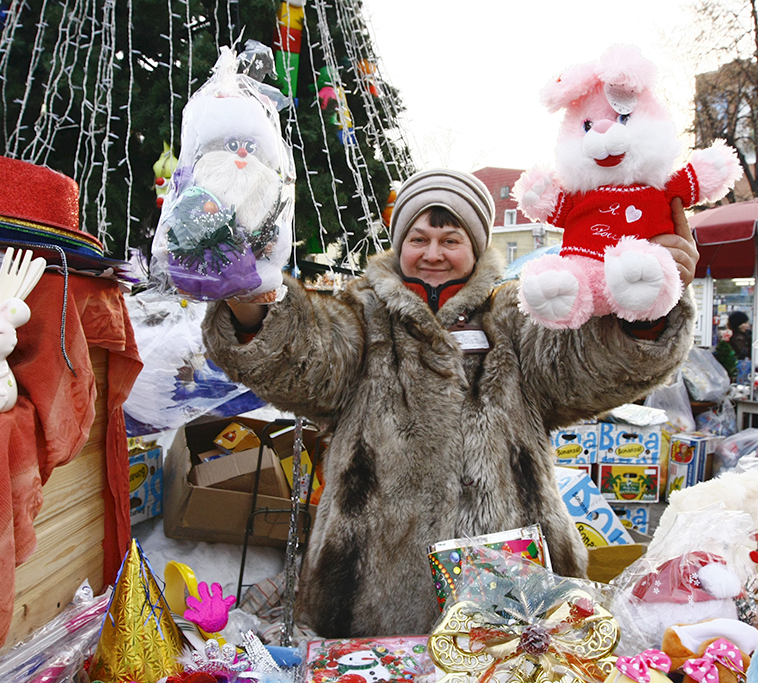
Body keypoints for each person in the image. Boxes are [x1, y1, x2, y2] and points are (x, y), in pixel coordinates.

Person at [203, 169, 699, 637]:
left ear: (477, 245)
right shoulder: (362, 316)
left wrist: (648, 306)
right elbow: (303, 356)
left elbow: (585, 366)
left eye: (450, 240)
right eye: (418, 239)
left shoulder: (517, 315)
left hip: (512, 592)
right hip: (369, 588)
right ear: (399, 246)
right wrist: (249, 297)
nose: (433, 253)